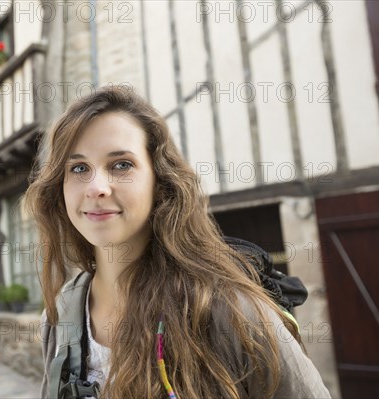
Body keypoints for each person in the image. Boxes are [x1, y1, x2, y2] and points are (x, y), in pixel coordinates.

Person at [23, 85, 331, 398]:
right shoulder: (61, 314)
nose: (97, 187)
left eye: (121, 164)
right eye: (78, 168)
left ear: (160, 180)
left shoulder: (229, 311)